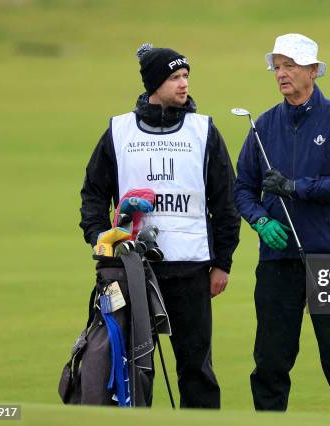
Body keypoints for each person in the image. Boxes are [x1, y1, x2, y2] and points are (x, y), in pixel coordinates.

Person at [79, 43, 240, 408]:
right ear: (154, 83)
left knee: (197, 369)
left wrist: (223, 262)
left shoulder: (204, 131)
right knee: (134, 368)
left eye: (185, 76)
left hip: (193, 268)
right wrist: (101, 239)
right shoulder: (119, 132)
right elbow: (93, 195)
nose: (184, 84)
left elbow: (225, 203)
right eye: (174, 77)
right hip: (133, 271)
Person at [233, 33, 330, 414]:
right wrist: (260, 219)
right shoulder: (262, 126)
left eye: (291, 66)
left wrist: (296, 188)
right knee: (270, 363)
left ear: (313, 71)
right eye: (277, 67)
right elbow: (243, 189)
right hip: (278, 261)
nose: (281, 74)